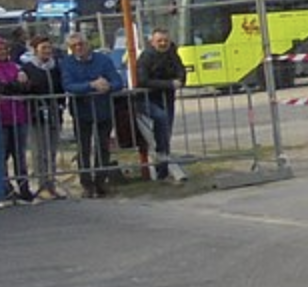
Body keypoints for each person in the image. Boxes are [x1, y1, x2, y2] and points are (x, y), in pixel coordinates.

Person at [58, 29, 126, 196]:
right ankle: (87, 184)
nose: (78, 48)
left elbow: (118, 81)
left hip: (103, 110)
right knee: (84, 149)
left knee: (103, 147)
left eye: (81, 44)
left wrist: (108, 86)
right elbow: (68, 85)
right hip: (82, 112)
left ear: (88, 44)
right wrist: (91, 85)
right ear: (70, 48)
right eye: (74, 46)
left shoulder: (102, 60)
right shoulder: (67, 63)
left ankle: (101, 182)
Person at [18, 35, 66, 200]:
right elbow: (24, 90)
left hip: (54, 113)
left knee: (51, 151)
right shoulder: (28, 69)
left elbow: (61, 87)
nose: (47, 51)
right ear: (35, 50)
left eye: (49, 48)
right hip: (36, 114)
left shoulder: (55, 67)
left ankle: (51, 183)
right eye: (43, 48)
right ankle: (42, 185)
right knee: (40, 151)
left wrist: (61, 103)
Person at [135, 27, 186, 180]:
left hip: (168, 98)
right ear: (152, 42)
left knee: (166, 131)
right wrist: (169, 84)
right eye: (160, 41)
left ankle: (162, 169)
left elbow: (181, 72)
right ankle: (160, 158)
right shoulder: (146, 57)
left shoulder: (173, 54)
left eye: (166, 41)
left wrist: (180, 80)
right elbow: (143, 80)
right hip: (147, 99)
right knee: (160, 118)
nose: (163, 43)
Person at [0, 45, 30, 203]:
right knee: (2, 155)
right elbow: (2, 88)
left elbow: (26, 87)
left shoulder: (15, 67)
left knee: (20, 154)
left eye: (4, 50)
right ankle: (5, 188)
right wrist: (14, 85)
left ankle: (24, 187)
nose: (2, 53)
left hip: (19, 116)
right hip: (2, 117)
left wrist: (15, 86)